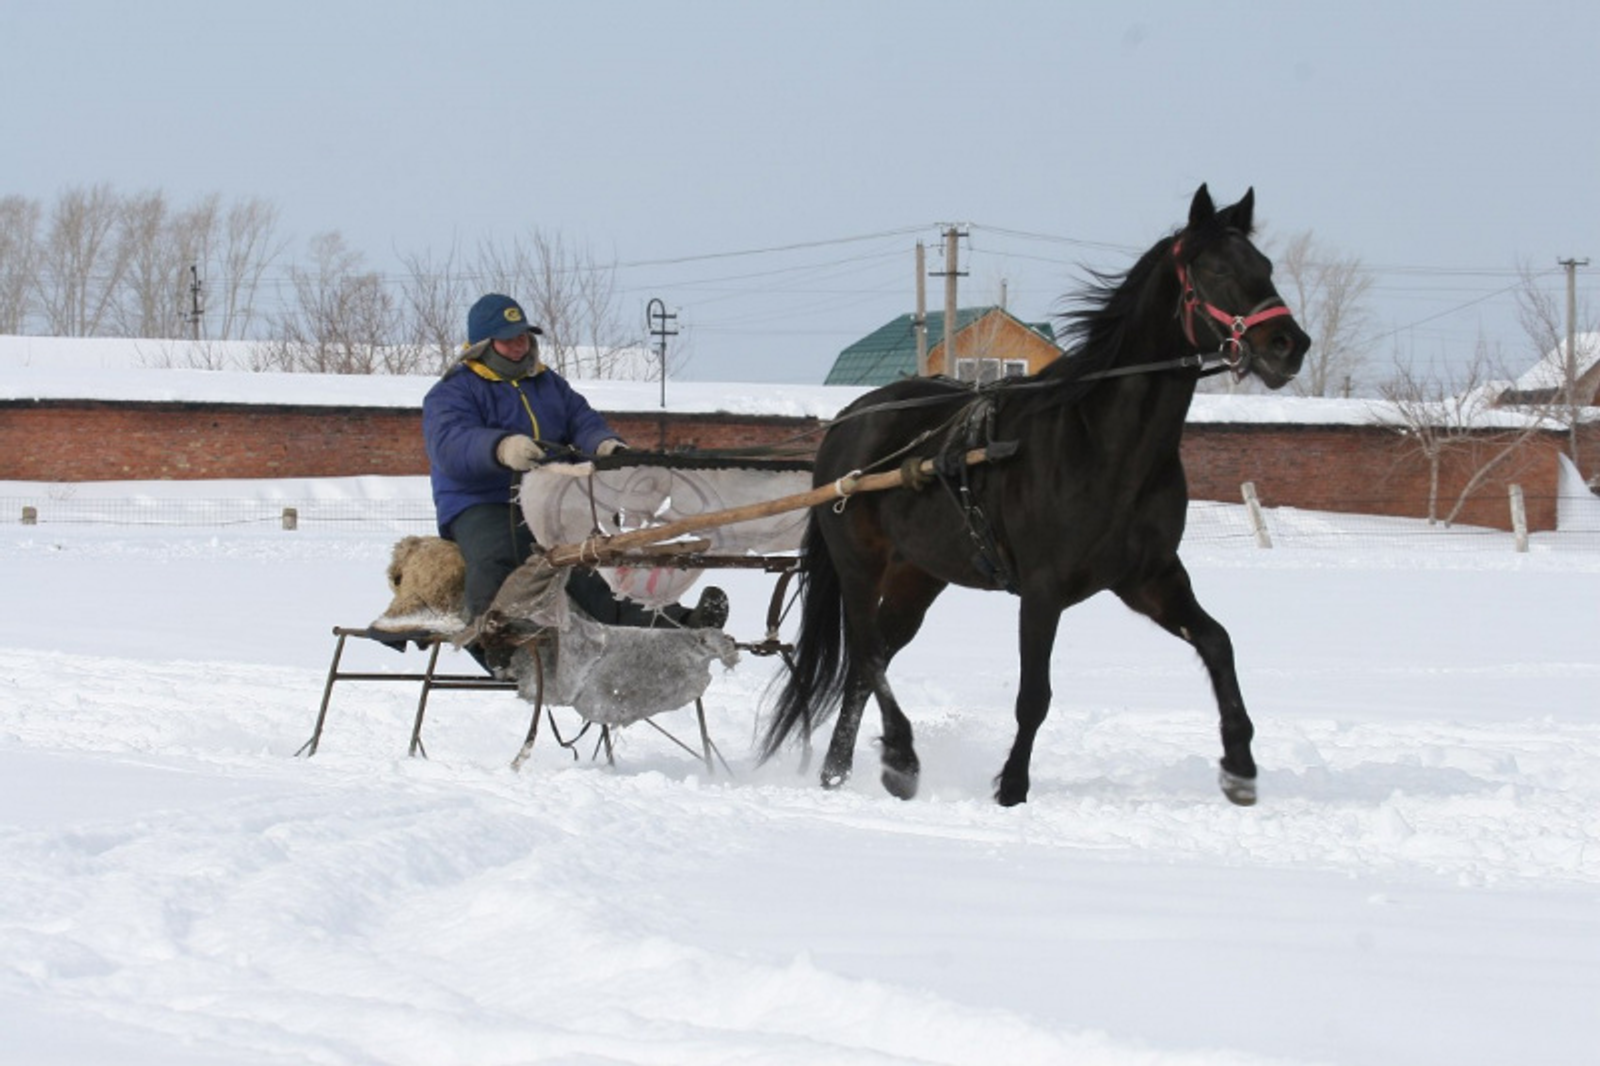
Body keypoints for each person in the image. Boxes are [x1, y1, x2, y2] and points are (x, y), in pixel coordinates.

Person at [422, 293, 726, 650]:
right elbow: (450, 444)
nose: (520, 345)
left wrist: (604, 444)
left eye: (524, 336)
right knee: (497, 556)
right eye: (509, 339)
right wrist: (501, 447)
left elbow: (581, 420)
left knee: (590, 567)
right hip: (480, 502)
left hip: (548, 499)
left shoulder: (547, 383)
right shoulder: (453, 390)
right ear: (482, 346)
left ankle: (676, 622)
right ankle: (489, 640)